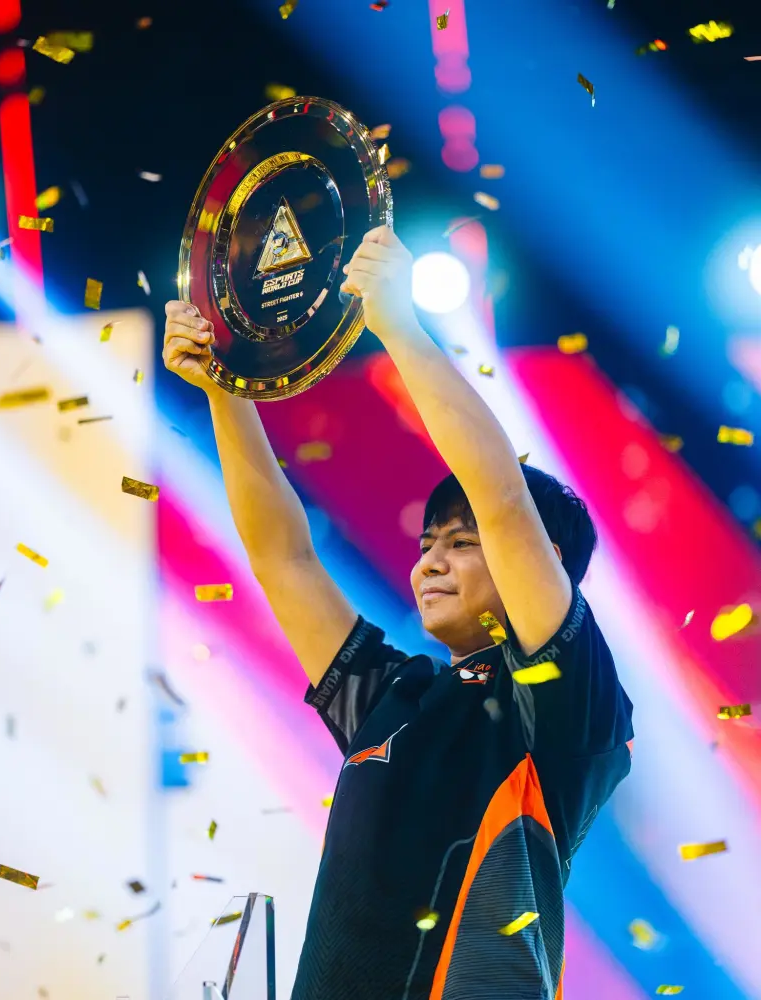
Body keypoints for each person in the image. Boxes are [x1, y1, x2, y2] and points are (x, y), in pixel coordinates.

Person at [163, 226, 633, 1000]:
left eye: (463, 543)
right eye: (427, 544)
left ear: (542, 560)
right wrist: (224, 389)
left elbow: (501, 495)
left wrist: (399, 327)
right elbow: (283, 558)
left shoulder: (561, 703)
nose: (431, 562)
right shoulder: (392, 697)